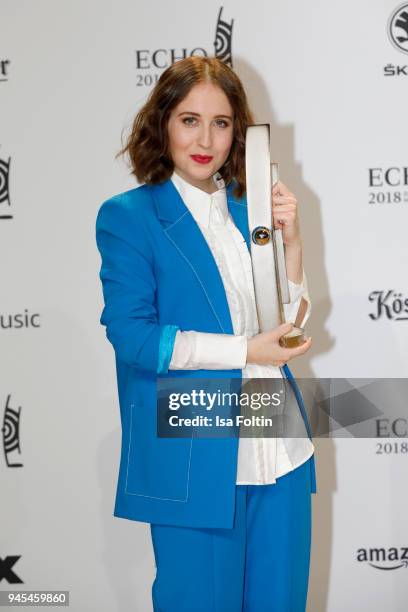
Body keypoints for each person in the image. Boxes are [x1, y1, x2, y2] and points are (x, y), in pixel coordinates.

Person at [96, 56, 317, 612]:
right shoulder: (130, 216)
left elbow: (286, 329)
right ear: (163, 122)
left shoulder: (252, 208)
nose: (205, 138)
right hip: (194, 452)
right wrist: (246, 350)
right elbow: (135, 338)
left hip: (280, 449)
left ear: (237, 132)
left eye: (221, 123)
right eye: (189, 119)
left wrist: (292, 245)